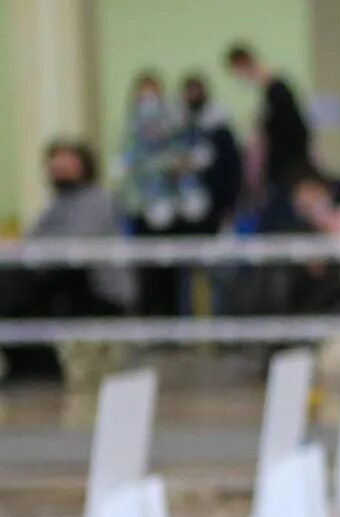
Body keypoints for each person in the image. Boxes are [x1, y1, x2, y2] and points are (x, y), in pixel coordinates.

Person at [0, 141, 136, 385]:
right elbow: (32, 241)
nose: (59, 170)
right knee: (13, 283)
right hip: (61, 281)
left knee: (20, 287)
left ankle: (39, 368)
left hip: (99, 290)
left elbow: (73, 248)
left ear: (84, 166)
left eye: (66, 164)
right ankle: (27, 364)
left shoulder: (98, 200)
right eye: (55, 165)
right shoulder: (57, 205)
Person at [118, 72, 209, 317]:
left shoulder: (174, 123)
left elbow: (189, 152)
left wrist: (183, 166)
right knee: (148, 272)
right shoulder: (130, 128)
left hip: (173, 210)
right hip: (143, 210)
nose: (149, 99)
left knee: (175, 271)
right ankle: (149, 319)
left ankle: (175, 321)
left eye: (153, 92)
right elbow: (129, 164)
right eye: (144, 93)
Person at [225, 43, 314, 207]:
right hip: (282, 165)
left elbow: (294, 131)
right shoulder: (269, 92)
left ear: (243, 63)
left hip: (288, 166)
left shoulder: (277, 90)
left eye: (237, 71)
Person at [180, 73, 245, 232]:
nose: (193, 95)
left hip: (217, 199)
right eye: (190, 91)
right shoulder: (179, 126)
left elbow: (232, 167)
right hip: (186, 198)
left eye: (196, 90)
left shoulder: (220, 128)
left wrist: (229, 203)